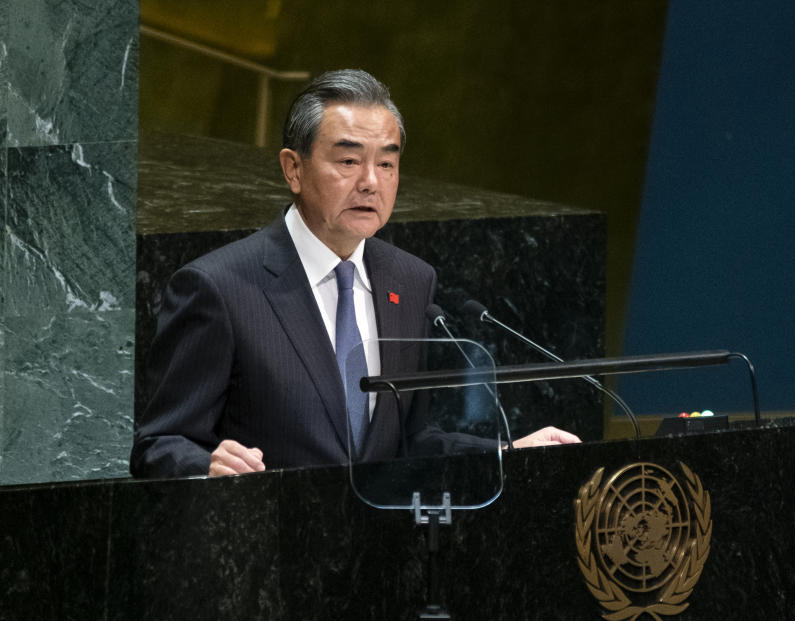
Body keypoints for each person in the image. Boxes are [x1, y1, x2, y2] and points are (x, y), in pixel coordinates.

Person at [131, 69, 579, 478]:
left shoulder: (410, 280)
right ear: (293, 168)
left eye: (386, 163)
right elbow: (158, 445)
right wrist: (205, 465)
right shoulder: (220, 287)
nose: (370, 182)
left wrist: (507, 450)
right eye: (348, 161)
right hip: (272, 548)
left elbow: (412, 439)